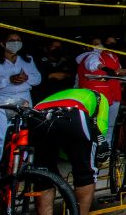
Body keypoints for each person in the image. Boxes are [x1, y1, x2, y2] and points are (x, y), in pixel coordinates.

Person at [32, 87, 110, 215]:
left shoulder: (61, 93)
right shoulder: (101, 98)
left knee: (43, 173)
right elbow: (100, 131)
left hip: (37, 114)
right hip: (72, 112)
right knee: (85, 172)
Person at [0, 32, 42, 172]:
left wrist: (26, 78)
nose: (15, 43)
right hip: (0, 100)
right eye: (11, 40)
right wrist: (8, 79)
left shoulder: (27, 60)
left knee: (22, 134)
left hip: (23, 99)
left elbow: (38, 79)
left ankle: (19, 167)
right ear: (3, 43)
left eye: (18, 40)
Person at [77, 36, 126, 132]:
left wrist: (121, 78)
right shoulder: (92, 56)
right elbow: (94, 65)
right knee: (99, 125)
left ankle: (108, 146)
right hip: (98, 96)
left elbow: (118, 72)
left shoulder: (114, 57)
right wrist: (112, 71)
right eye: (96, 44)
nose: (99, 46)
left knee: (111, 125)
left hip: (113, 94)